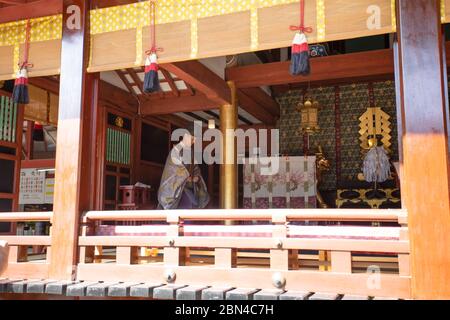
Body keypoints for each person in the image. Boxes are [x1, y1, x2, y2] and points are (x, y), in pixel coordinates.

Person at [157, 123, 209, 209]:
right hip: (175, 191)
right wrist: (187, 178)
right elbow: (174, 172)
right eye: (193, 138)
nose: (194, 141)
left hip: (188, 188)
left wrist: (197, 177)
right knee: (189, 204)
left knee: (197, 202)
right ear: (186, 136)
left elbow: (196, 169)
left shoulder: (191, 153)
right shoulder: (176, 151)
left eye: (196, 139)